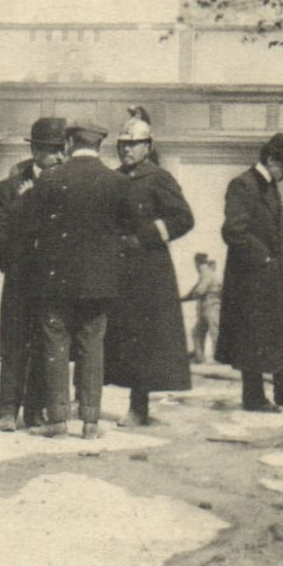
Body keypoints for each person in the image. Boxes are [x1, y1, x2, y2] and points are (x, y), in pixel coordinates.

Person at [29, 121, 136, 439]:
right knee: (93, 346)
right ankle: (91, 422)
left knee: (55, 345)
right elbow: (128, 229)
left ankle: (58, 420)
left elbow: (34, 226)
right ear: (100, 145)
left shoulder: (51, 179)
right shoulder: (116, 182)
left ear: (70, 144)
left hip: (55, 280)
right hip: (99, 283)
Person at [104, 107, 194, 427]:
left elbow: (184, 218)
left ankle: (138, 407)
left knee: (143, 339)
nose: (127, 150)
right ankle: (86, 399)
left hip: (149, 271)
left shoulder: (159, 178)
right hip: (117, 269)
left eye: (134, 144)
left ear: (148, 146)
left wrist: (145, 237)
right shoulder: (112, 178)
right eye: (123, 145)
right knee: (114, 336)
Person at [0, 117, 65, 431]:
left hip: (56, 282)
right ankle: (6, 410)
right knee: (14, 342)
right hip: (20, 280)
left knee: (48, 345)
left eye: (61, 149)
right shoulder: (8, 188)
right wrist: (13, 265)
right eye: (50, 150)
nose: (58, 156)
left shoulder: (67, 187)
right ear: (35, 151)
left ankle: (35, 411)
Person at [216, 133, 283, 412]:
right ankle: (253, 398)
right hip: (252, 280)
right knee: (252, 340)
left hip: (275, 278)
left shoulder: (269, 188)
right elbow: (233, 231)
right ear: (270, 159)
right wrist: (265, 259)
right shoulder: (243, 185)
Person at [181, 253, 221, 365]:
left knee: (215, 330)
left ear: (197, 262)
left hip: (211, 304)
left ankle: (219, 357)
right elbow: (195, 289)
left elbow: (200, 290)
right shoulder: (205, 273)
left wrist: (190, 296)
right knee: (197, 332)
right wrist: (183, 298)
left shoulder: (206, 272)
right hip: (206, 305)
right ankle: (199, 357)